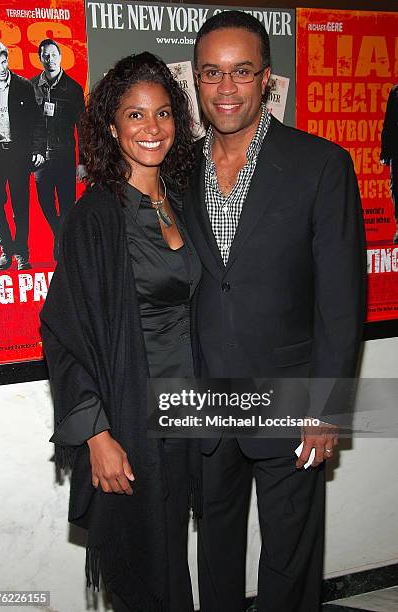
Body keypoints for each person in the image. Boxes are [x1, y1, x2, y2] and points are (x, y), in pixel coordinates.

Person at [183, 11, 367, 612]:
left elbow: (342, 305)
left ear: (267, 80)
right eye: (212, 73)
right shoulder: (177, 170)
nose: (226, 88)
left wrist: (327, 408)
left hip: (292, 397)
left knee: (290, 560)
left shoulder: (320, 166)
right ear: (195, 80)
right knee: (215, 555)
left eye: (241, 72)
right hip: (205, 401)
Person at [40, 53, 201, 612]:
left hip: (191, 416)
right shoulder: (96, 218)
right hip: (132, 420)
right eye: (135, 116)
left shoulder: (184, 203)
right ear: (112, 127)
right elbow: (65, 333)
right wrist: (96, 434)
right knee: (143, 575)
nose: (151, 128)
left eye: (162, 114)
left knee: (173, 564)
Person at [0, 40, 45, 270]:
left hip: (18, 155)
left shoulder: (23, 85)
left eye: (5, 61)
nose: (2, 68)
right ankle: (6, 249)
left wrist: (38, 150)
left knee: (20, 205)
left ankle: (21, 253)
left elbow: (38, 120)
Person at [31, 39, 86, 259]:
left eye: (54, 55)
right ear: (40, 58)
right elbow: (27, 124)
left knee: (66, 206)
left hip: (65, 157)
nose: (50, 59)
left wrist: (82, 161)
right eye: (45, 55)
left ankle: (60, 246)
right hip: (40, 158)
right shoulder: (31, 85)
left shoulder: (73, 88)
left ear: (61, 57)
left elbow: (82, 128)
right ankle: (59, 235)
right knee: (44, 201)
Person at [380, 83, 398, 244]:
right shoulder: (395, 91)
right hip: (396, 151)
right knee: (396, 189)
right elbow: (388, 124)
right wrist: (384, 153)